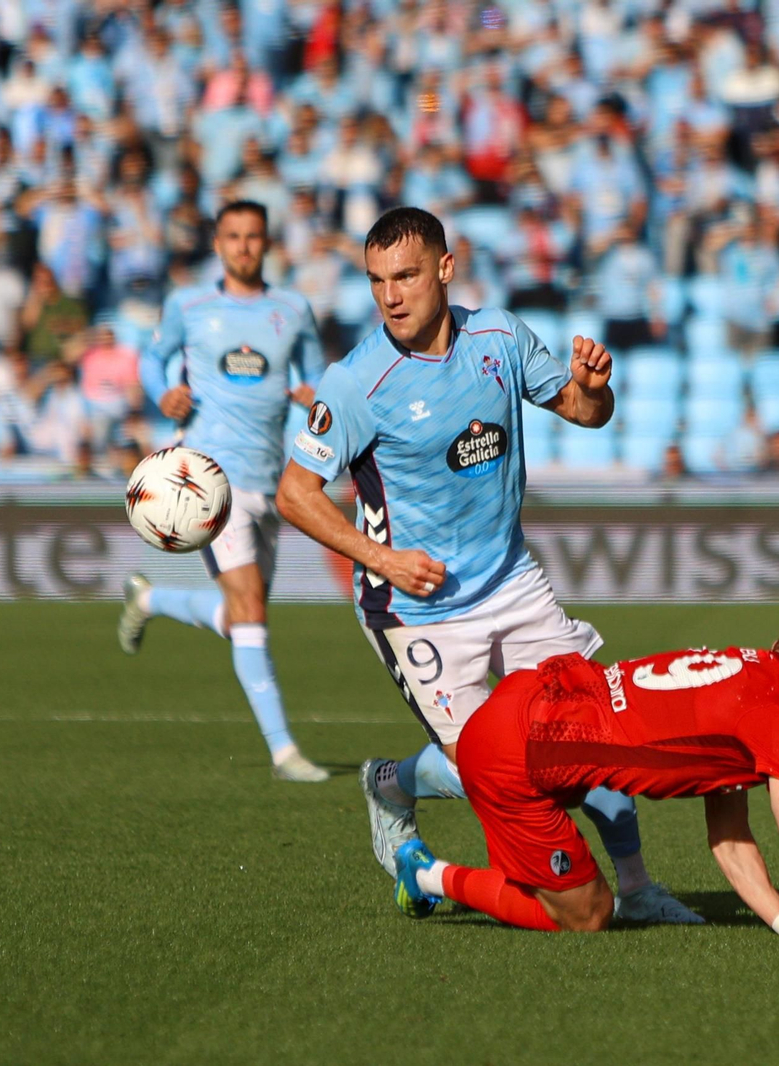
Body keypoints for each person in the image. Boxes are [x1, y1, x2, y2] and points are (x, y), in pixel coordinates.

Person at [276, 207, 700, 924]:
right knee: (499, 771)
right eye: (377, 281)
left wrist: (593, 389)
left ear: (446, 268)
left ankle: (638, 887)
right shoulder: (357, 383)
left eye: (405, 276)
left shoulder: (500, 336)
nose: (390, 296)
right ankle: (392, 783)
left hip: (510, 579)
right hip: (417, 610)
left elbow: (582, 410)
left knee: (593, 726)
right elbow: (295, 494)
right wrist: (385, 560)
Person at [389, 595, 779, 941]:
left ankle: (426, 798)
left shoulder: (748, 671)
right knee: (587, 916)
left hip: (529, 699)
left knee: (571, 857)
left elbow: (730, 836)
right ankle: (427, 875)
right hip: (517, 754)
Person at [120, 201, 329, 784]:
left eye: (253, 236)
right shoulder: (189, 305)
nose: (243, 246)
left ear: (267, 243)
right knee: (252, 610)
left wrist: (315, 398)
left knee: (243, 617)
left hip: (270, 476)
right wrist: (164, 393)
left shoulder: (292, 309)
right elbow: (152, 360)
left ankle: (150, 600)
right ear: (217, 243)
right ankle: (284, 751)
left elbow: (314, 377)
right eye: (233, 236)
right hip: (208, 478)